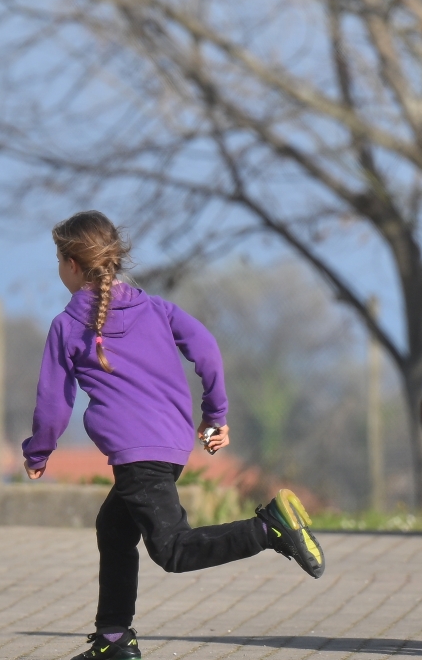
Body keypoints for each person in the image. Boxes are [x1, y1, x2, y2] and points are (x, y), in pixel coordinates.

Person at [22, 211, 325, 660]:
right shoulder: (157, 309)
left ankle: (268, 528)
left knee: (173, 550)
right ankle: (113, 640)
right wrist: (215, 414)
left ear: (70, 264)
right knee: (114, 528)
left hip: (137, 456)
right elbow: (206, 350)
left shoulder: (68, 327)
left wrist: (38, 451)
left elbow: (54, 402)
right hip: (171, 445)